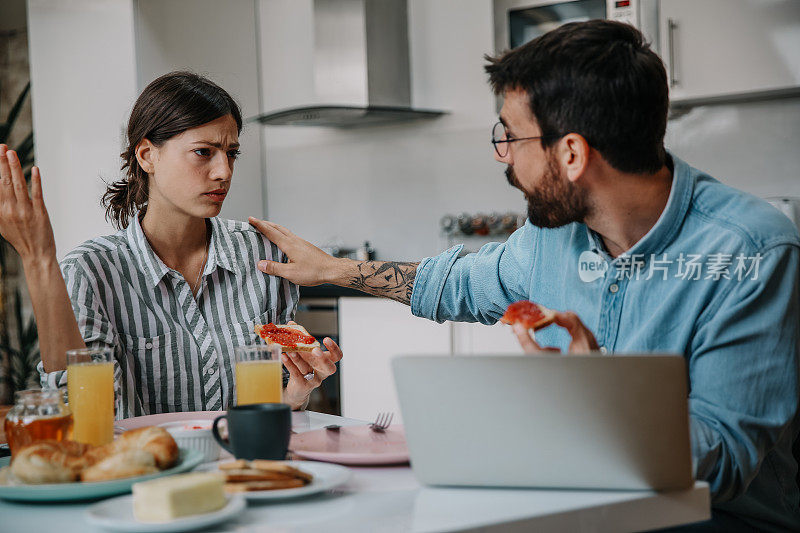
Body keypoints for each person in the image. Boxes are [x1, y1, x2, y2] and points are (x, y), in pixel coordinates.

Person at [247, 21, 799, 532]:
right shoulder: (553, 235)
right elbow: (459, 284)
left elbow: (724, 462)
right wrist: (335, 270)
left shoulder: (753, 251)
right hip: (569, 500)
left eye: (511, 136)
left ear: (573, 154)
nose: (502, 155)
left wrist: (597, 394)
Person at [0, 71, 342, 417]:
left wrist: (297, 391)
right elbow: (87, 416)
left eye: (232, 153)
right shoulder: (92, 271)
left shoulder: (264, 255)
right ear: (147, 155)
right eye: (203, 152)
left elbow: (273, 406)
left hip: (250, 465)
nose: (224, 171)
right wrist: (38, 258)